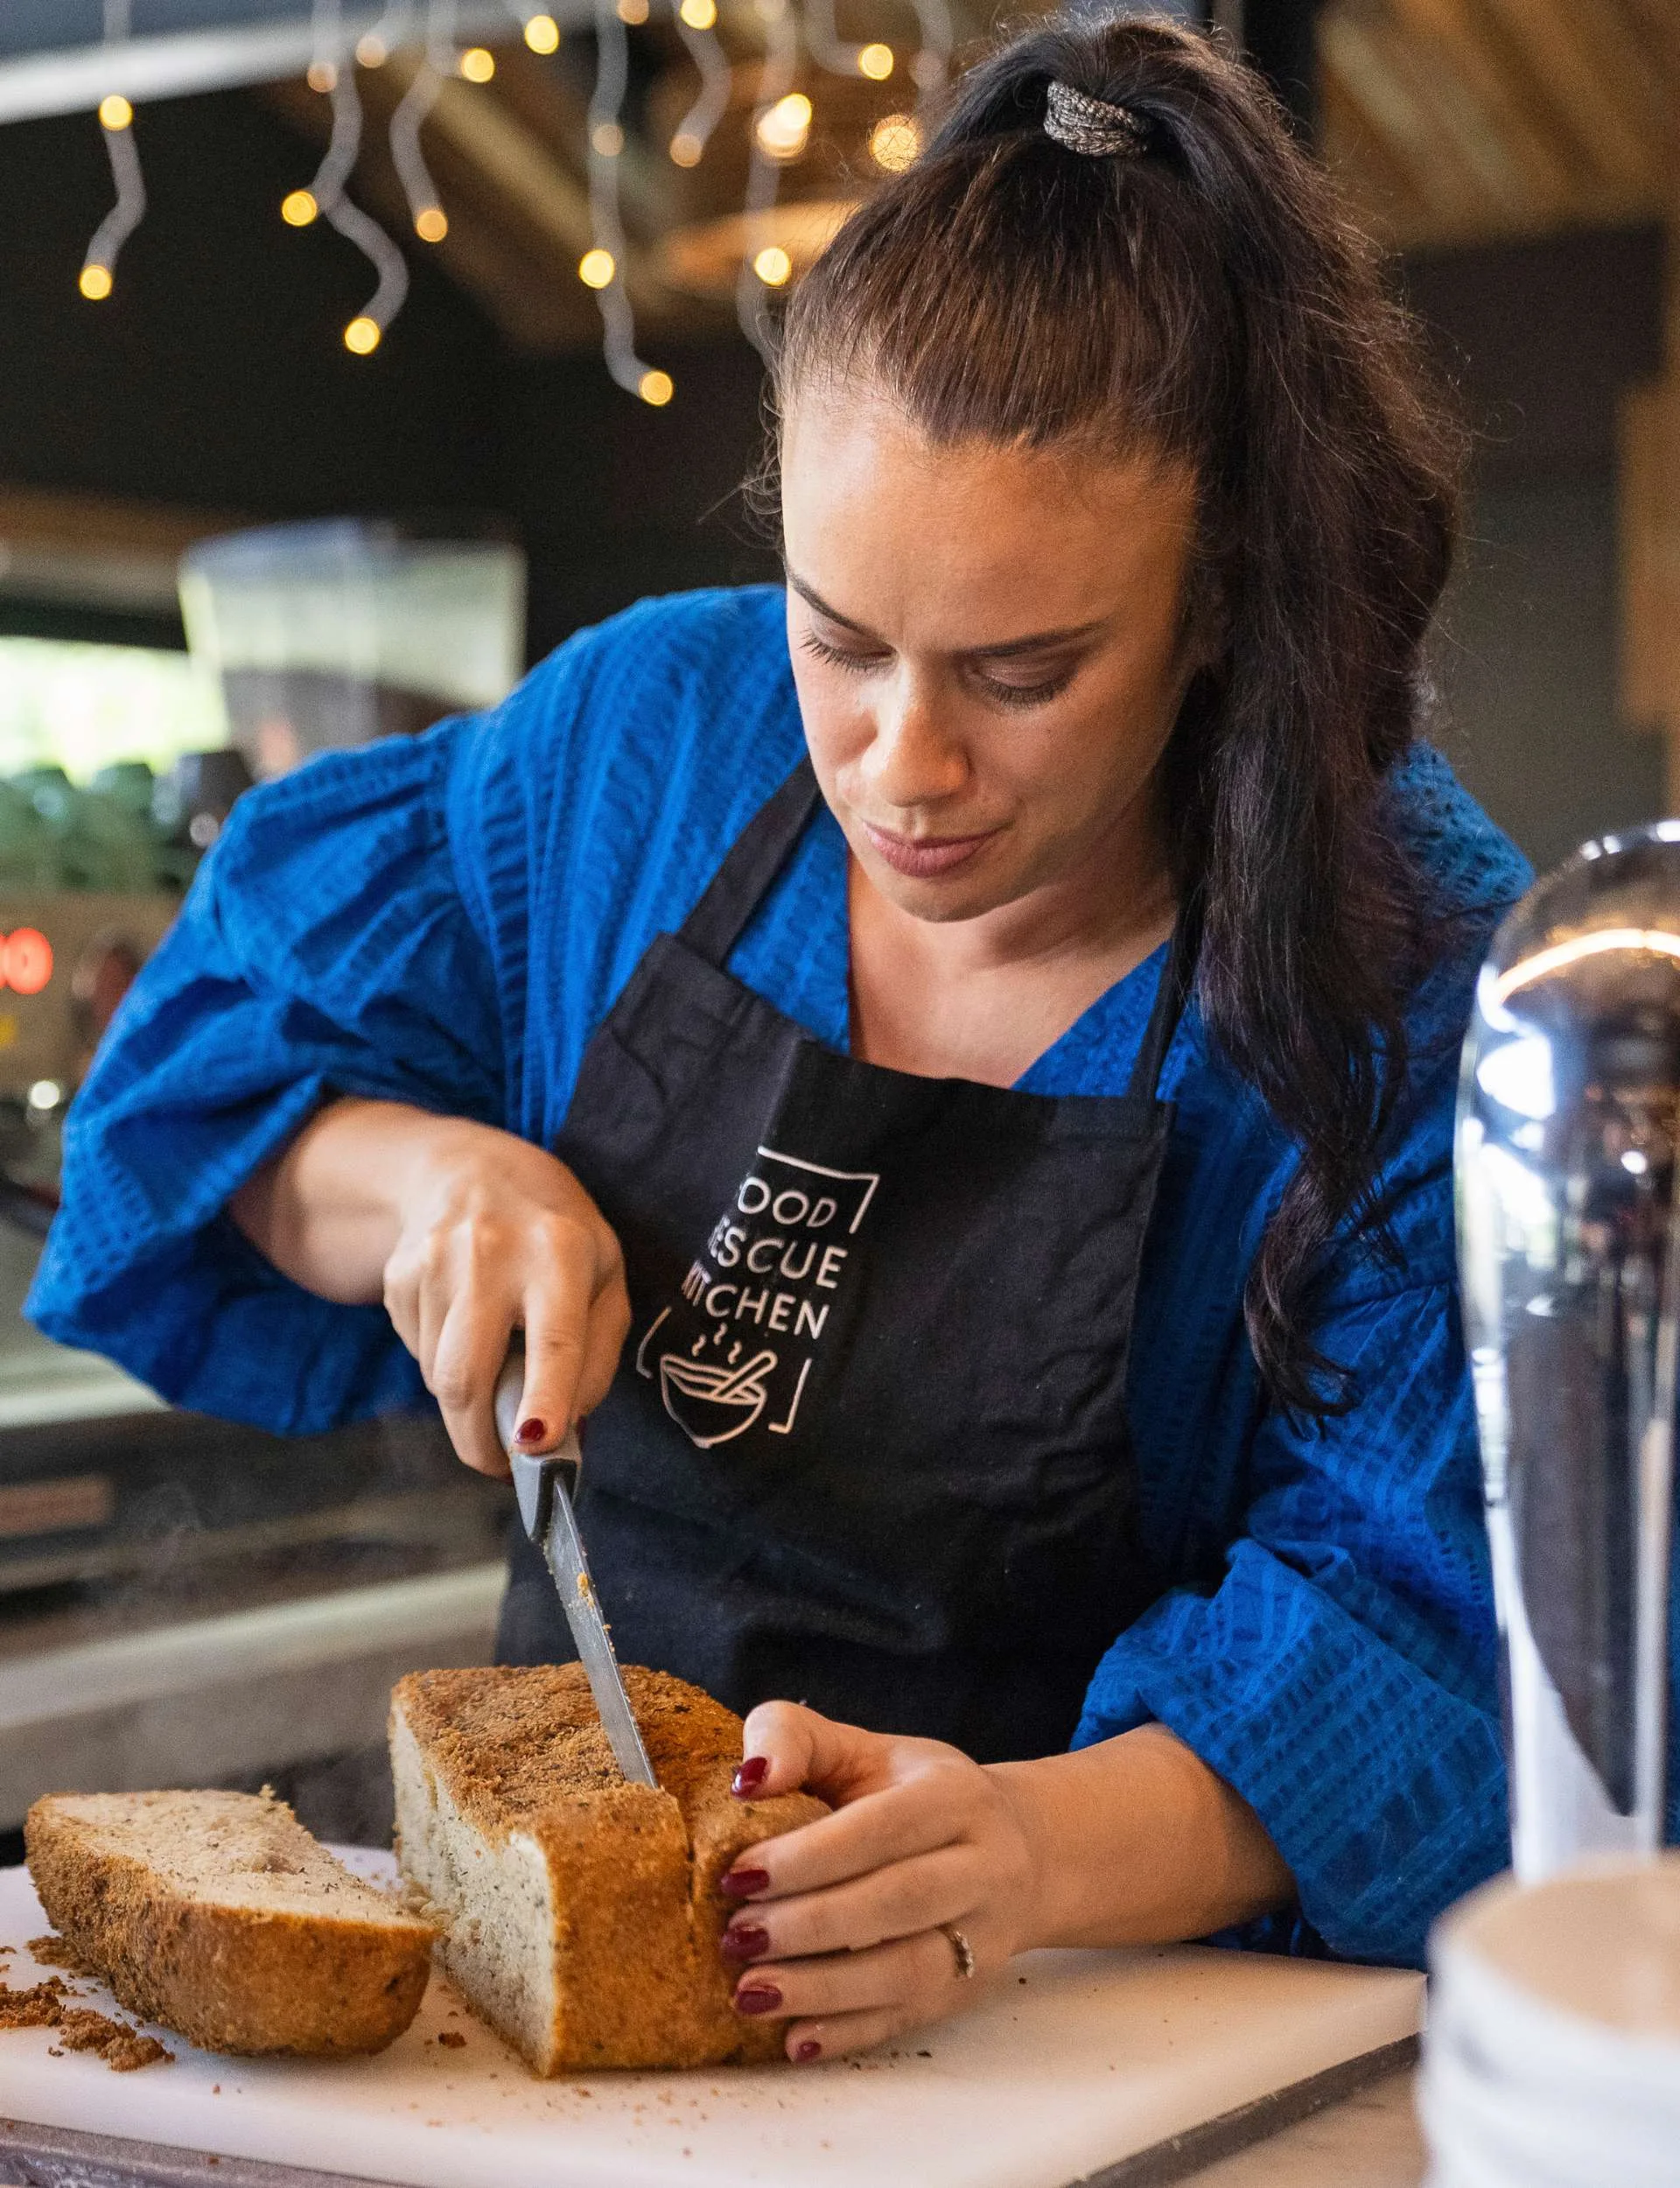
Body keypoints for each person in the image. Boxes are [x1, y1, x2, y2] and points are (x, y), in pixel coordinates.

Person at [34, 16, 1531, 2062]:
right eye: (839, 636)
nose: (900, 767)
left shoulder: (1415, 966)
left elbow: (1433, 1639)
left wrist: (1021, 1849)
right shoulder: (642, 741)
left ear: (1223, 602)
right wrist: (427, 1174)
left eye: (1023, 669)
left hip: (1076, 2032)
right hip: (558, 2034)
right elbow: (205, 1103)